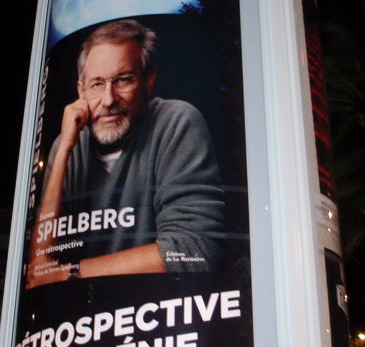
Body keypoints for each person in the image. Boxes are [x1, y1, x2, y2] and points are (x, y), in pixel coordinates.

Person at [26, 19, 225, 288]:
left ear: (148, 81)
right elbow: (38, 270)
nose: (108, 100)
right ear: (80, 91)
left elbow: (195, 250)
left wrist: (69, 273)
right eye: (97, 84)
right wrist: (62, 152)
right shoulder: (67, 145)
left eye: (123, 80)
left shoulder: (177, 121)